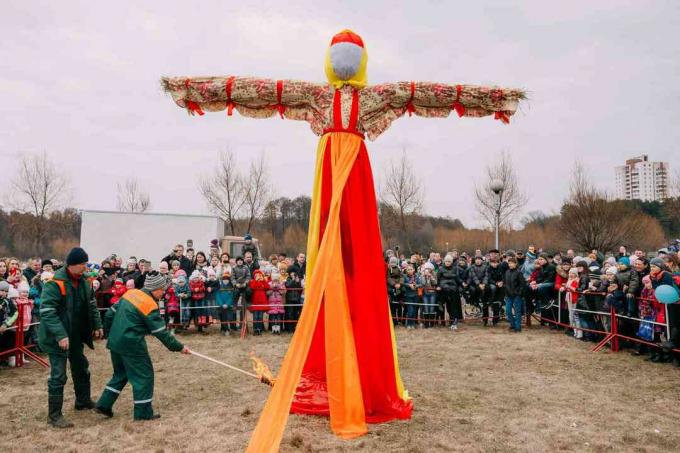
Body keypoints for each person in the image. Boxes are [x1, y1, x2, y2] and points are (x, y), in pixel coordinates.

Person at [95, 273, 190, 420]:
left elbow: (109, 315)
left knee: (121, 373)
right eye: (162, 289)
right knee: (144, 375)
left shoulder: (130, 293)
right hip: (132, 344)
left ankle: (104, 404)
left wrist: (109, 333)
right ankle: (143, 413)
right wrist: (179, 347)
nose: (163, 292)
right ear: (154, 289)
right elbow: (161, 333)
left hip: (115, 342)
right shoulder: (149, 305)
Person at [37, 247, 104, 428]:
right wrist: (60, 335)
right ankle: (54, 416)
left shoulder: (84, 281)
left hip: (75, 335)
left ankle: (82, 401)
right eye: (82, 264)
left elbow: (91, 304)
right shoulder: (54, 283)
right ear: (72, 264)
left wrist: (97, 325)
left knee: (81, 367)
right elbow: (47, 312)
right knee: (58, 375)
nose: (85, 267)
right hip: (56, 337)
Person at [504, 258, 525, 332]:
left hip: (517, 295)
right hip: (508, 295)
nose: (510, 264)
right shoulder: (507, 272)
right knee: (508, 311)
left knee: (517, 312)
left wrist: (519, 293)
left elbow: (522, 284)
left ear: (515, 264)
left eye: (512, 263)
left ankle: (518, 327)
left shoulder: (519, 272)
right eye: (509, 263)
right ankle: (512, 324)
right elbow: (506, 283)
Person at [248, 270, 269, 335]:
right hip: (255, 301)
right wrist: (255, 280)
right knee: (255, 316)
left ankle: (259, 329)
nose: (258, 276)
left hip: (262, 301)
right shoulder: (252, 281)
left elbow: (267, 287)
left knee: (260, 316)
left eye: (259, 275)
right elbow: (252, 287)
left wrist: (263, 280)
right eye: (256, 275)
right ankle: (255, 329)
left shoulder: (263, 282)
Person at [216, 269, 236, 336]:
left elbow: (231, 297)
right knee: (223, 318)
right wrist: (222, 304)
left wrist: (227, 304)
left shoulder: (231, 288)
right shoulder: (219, 287)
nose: (225, 281)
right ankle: (226, 329)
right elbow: (218, 296)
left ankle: (232, 328)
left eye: (227, 279)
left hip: (229, 306)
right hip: (222, 306)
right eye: (224, 279)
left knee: (230, 317)